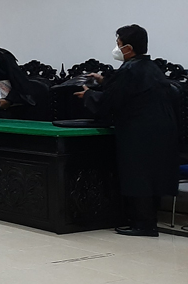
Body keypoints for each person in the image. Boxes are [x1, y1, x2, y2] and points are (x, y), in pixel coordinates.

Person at [76, 24, 180, 237]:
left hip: (139, 131)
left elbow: (112, 101)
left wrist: (88, 95)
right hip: (160, 129)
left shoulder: (130, 69)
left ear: (128, 48)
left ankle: (143, 224)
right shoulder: (150, 67)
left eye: (119, 44)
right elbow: (128, 90)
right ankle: (148, 220)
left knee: (138, 175)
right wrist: (104, 80)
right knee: (151, 176)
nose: (116, 48)